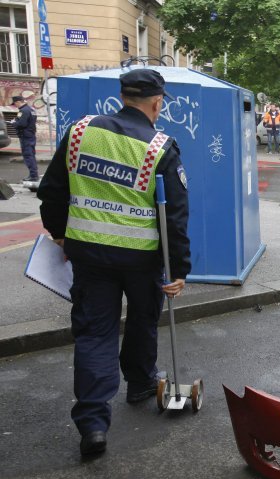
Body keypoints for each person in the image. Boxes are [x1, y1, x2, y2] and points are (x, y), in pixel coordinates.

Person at [37, 68, 191, 457]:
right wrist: (179, 271)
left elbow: (53, 189)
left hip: (88, 255)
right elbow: (173, 216)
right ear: (157, 103)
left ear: (123, 96)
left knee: (95, 334)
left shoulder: (80, 132)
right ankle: (140, 383)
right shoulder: (160, 147)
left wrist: (59, 233)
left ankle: (92, 424)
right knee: (142, 320)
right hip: (141, 260)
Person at [10, 95, 38, 181]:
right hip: (31, 135)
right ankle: (33, 174)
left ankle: (33, 176)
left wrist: (13, 123)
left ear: (18, 102)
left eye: (15, 104)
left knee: (28, 155)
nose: (15, 106)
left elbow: (21, 124)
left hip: (25, 136)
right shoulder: (31, 109)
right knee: (31, 155)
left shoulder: (23, 111)